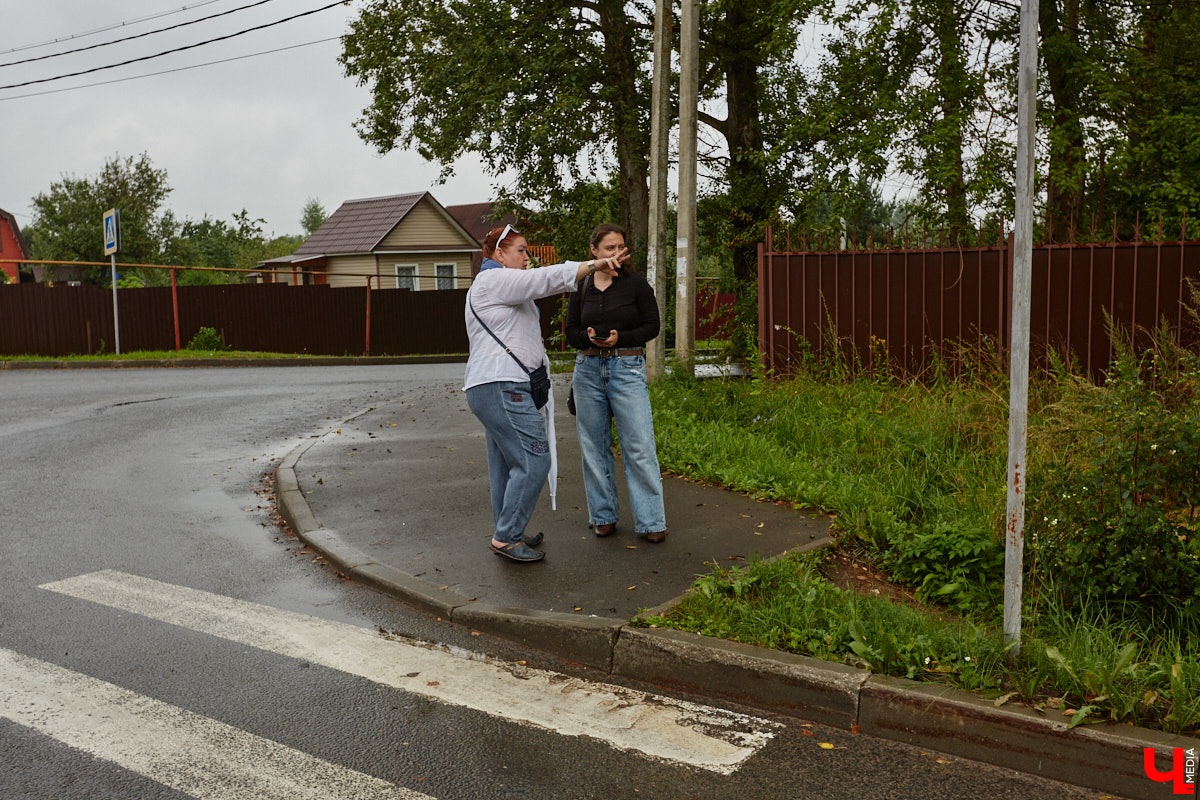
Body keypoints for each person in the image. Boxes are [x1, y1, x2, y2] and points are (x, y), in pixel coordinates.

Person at [464, 224, 627, 563]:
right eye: (521, 250)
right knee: (535, 458)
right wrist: (594, 265)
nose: (528, 257)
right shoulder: (494, 280)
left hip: (493, 386)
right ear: (499, 254)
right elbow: (543, 280)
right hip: (502, 386)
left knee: (506, 465)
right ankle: (506, 537)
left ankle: (507, 528)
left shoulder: (496, 287)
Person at [564, 223, 668, 543]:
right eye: (609, 247)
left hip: (627, 368)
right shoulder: (582, 286)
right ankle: (603, 516)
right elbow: (570, 333)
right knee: (594, 448)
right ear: (594, 251)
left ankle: (651, 522)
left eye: (620, 247)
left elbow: (653, 326)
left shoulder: (636, 284)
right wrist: (590, 338)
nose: (616, 253)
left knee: (638, 447)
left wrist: (621, 338)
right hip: (588, 371)